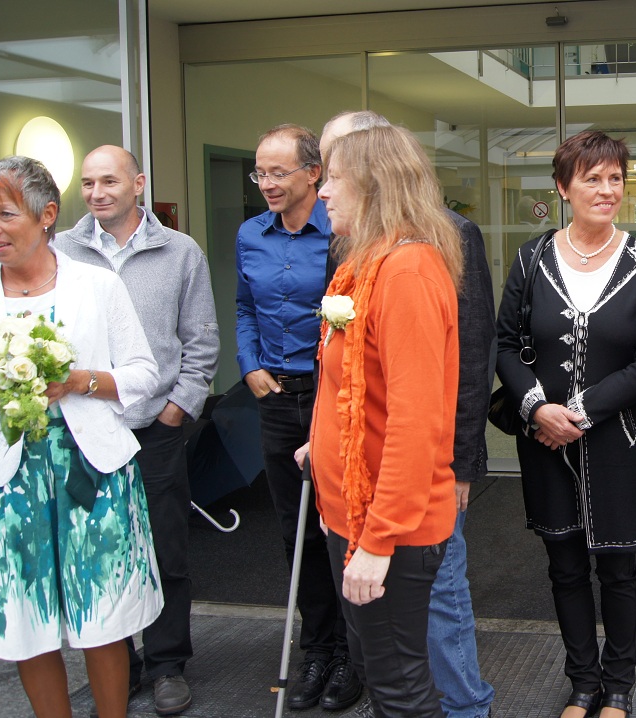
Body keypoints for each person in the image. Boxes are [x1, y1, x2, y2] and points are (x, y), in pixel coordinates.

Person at [320, 111, 496, 718]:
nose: (322, 191)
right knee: (383, 675)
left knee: (400, 689)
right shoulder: (367, 263)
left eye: (333, 178)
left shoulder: (407, 271)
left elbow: (417, 424)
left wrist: (378, 543)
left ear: (373, 186)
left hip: (387, 525)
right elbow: (357, 387)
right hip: (356, 511)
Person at [0, 156, 161, 718]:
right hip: (7, 482)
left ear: (47, 214)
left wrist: (80, 381)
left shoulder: (97, 285)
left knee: (102, 618)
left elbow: (143, 374)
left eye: (5, 214)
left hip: (92, 473)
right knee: (27, 622)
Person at [495, 130, 636, 718]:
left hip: (617, 441)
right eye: (591, 178)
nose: (606, 189)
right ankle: (582, 684)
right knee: (564, 566)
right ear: (563, 187)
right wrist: (536, 408)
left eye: (615, 178)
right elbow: (505, 344)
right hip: (544, 440)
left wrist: (583, 411)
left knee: (619, 568)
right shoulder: (531, 259)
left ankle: (618, 688)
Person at [54, 145, 219, 717]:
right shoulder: (61, 250)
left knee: (166, 549)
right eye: (87, 183)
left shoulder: (180, 251)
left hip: (154, 429)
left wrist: (177, 409)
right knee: (101, 551)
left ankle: (167, 663)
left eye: (109, 181)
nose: (96, 193)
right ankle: (117, 665)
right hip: (85, 431)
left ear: (138, 184)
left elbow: (201, 339)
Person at [235, 124, 360, 711]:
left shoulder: (340, 232)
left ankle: (355, 654)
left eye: (278, 172)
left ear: (314, 174)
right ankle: (319, 649)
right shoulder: (250, 234)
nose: (267, 183)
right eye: (260, 172)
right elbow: (244, 307)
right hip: (278, 397)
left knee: (341, 523)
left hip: (332, 395)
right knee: (297, 528)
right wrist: (249, 363)